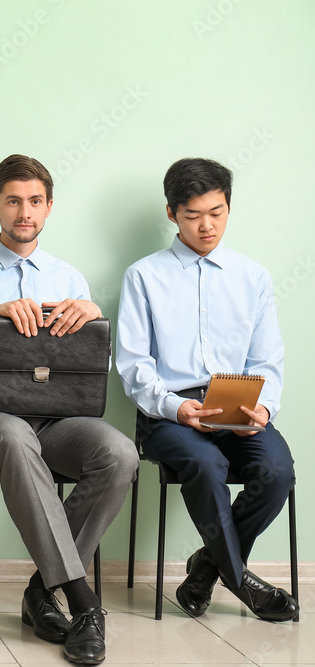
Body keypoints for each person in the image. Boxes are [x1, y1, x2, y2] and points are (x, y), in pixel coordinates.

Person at [0, 154, 138, 665]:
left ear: (49, 207)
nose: (25, 212)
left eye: (35, 201)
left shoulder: (70, 279)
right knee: (14, 437)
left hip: (58, 420)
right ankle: (83, 600)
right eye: (14, 201)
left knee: (120, 453)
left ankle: (41, 587)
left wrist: (94, 325)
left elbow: (89, 376)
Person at [116, 157, 298, 622]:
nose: (206, 226)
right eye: (193, 215)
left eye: (216, 213)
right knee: (204, 462)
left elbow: (266, 360)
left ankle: (206, 569)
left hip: (237, 401)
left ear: (229, 207)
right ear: (172, 213)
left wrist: (263, 408)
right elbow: (134, 366)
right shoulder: (143, 276)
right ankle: (243, 583)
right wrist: (178, 409)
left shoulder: (252, 277)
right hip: (168, 413)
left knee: (277, 471)